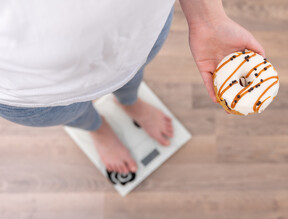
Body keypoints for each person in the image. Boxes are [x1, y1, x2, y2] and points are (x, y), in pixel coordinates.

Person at [0, 0, 264, 174]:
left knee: (132, 77)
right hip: (24, 88)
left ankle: (130, 102)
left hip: (138, 31)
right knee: (72, 115)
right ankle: (98, 129)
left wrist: (208, 18)